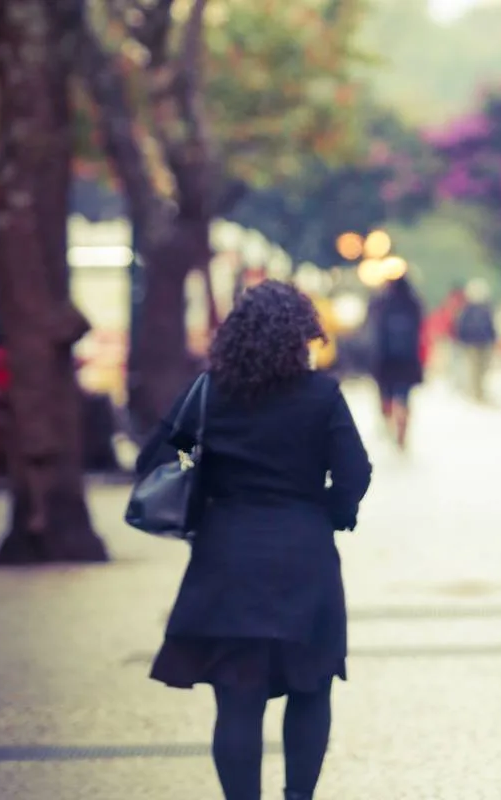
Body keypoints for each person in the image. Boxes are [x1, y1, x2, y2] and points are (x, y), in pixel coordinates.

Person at [140, 281, 372, 800]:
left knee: (237, 699)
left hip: (227, 556)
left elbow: (158, 460)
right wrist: (334, 513)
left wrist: (203, 497)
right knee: (311, 688)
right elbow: (355, 471)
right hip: (304, 555)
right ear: (301, 335)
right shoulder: (321, 395)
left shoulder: (209, 392)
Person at [369, 274, 424, 449]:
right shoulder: (414, 303)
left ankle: (388, 421)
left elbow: (373, 329)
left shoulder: (382, 303)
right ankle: (402, 431)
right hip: (408, 360)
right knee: (404, 397)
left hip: (385, 359)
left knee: (386, 394)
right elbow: (420, 330)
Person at [453, 278, 497, 402]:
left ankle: (479, 391)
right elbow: (461, 326)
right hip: (472, 343)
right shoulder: (468, 309)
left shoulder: (485, 309)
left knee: (482, 368)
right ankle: (475, 392)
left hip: (483, 342)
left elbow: (490, 326)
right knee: (474, 368)